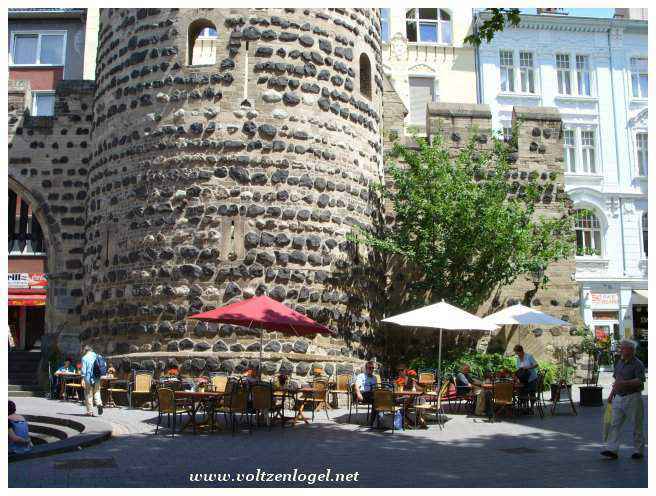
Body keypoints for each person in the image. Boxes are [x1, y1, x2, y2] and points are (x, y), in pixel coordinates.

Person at [601, 339, 645, 460]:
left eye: (623, 348)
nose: (621, 349)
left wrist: (624, 383)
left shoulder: (637, 364)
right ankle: (612, 449)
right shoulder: (619, 362)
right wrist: (611, 395)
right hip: (619, 397)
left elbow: (640, 381)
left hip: (632, 397)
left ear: (631, 350)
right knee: (615, 424)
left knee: (637, 424)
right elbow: (617, 381)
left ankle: (638, 450)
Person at [80, 345, 103, 417]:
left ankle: (90, 411)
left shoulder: (84, 358)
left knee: (88, 394)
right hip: (97, 377)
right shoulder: (97, 356)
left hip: (88, 378)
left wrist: (82, 379)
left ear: (85, 350)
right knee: (97, 391)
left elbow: (84, 370)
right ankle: (99, 404)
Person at [354, 361, 378, 426]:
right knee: (375, 400)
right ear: (366, 368)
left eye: (373, 368)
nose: (371, 369)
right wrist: (359, 395)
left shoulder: (374, 378)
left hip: (371, 394)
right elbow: (356, 386)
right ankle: (372, 422)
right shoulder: (361, 376)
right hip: (362, 394)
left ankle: (377, 420)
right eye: (369, 368)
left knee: (379, 399)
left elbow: (376, 388)